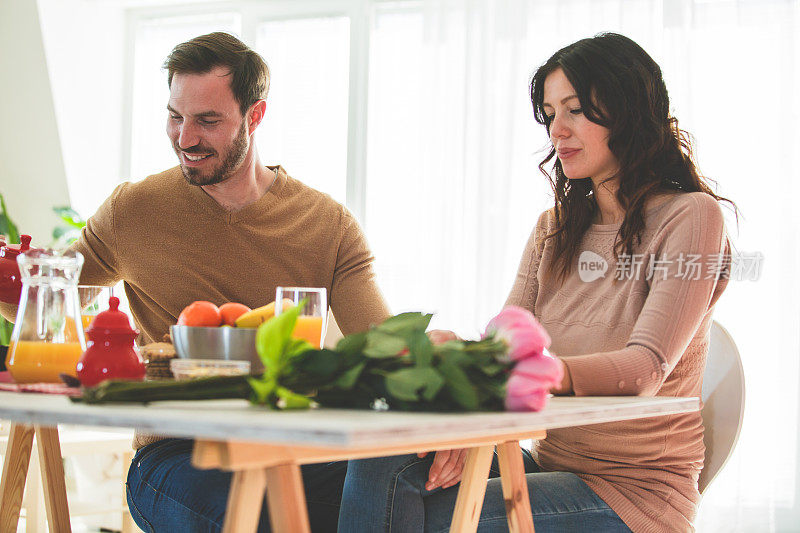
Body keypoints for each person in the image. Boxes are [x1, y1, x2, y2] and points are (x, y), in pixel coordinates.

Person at [337, 32, 733, 533]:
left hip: (632, 494)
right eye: (550, 114)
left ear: (629, 111)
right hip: (547, 463)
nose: (558, 130)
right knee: (386, 448)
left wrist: (525, 372)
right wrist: (464, 370)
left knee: (429, 515)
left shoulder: (690, 217)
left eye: (575, 110)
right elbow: (503, 347)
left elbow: (645, 369)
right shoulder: (555, 228)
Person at [4, 32, 392, 531]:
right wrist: (12, 279)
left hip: (298, 449)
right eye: (175, 116)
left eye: (208, 121)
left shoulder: (326, 224)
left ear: (255, 116)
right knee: (259, 513)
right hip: (174, 455)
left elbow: (382, 347)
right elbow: (45, 304)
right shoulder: (133, 210)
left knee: (416, 484)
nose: (185, 138)